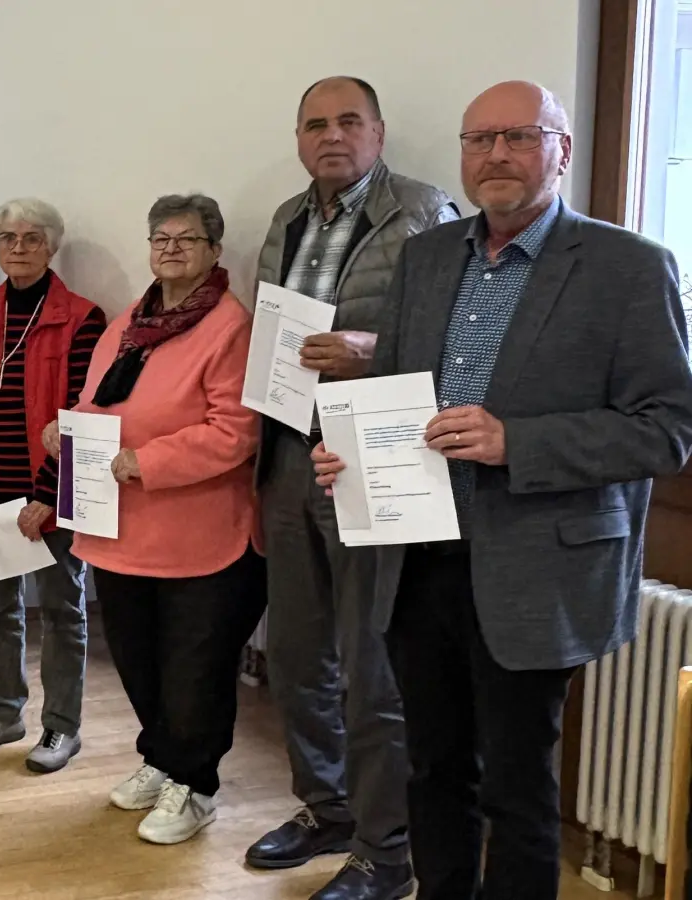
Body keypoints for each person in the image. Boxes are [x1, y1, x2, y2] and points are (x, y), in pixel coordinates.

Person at [315, 80, 692, 899]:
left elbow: (667, 428)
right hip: (420, 557)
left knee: (518, 790)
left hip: (537, 568)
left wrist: (515, 441)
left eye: (518, 137)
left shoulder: (631, 268)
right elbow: (394, 384)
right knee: (434, 768)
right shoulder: (428, 255)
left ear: (561, 149)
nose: (495, 156)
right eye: (478, 139)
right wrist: (348, 450)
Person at [249, 75, 458, 900]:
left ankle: (385, 848)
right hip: (292, 454)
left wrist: (372, 349)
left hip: (374, 452)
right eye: (314, 124)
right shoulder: (286, 219)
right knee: (296, 655)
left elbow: (456, 336)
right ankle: (324, 807)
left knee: (372, 669)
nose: (331, 136)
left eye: (348, 122)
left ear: (378, 129)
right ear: (298, 138)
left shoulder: (424, 211)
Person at [42, 194, 262, 845]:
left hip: (200, 534)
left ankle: (194, 786)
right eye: (161, 237)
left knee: (194, 668)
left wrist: (147, 460)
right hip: (120, 532)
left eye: (187, 239)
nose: (171, 248)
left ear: (214, 250)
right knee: (137, 660)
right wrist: (68, 430)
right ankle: (160, 759)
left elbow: (236, 432)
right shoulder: (128, 323)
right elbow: (94, 401)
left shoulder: (229, 325)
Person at [0, 198, 104, 773]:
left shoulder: (83, 317)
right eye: (8, 238)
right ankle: (3, 712)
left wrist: (48, 493)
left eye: (31, 238)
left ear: (51, 245)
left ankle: (62, 727)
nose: (18, 248)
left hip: (52, 499)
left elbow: (80, 414)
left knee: (63, 612)